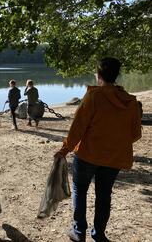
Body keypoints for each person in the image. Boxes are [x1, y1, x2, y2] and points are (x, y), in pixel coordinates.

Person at [54, 57, 142, 242]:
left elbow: (77, 128)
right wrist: (114, 141)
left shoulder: (93, 97)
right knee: (104, 195)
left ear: (98, 75)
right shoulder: (130, 102)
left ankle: (79, 232)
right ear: (117, 75)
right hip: (114, 159)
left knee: (80, 189)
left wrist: (64, 149)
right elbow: (134, 134)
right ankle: (99, 234)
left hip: (88, 155)